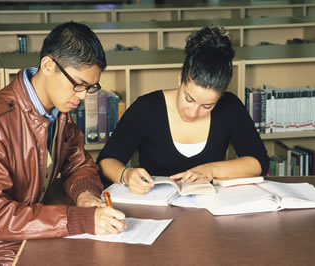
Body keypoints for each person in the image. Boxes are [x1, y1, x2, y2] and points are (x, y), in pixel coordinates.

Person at [0, 22, 125, 265]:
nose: (82, 96)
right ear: (48, 65)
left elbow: (78, 165)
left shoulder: (59, 112)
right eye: (78, 84)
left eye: (90, 88)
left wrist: (85, 195)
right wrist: (78, 219)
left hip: (34, 235)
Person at [97, 26, 269, 194]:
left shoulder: (230, 107)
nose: (193, 112)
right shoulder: (147, 108)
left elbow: (259, 162)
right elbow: (106, 161)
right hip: (157, 210)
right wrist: (126, 175)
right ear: (180, 79)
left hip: (209, 210)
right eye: (189, 99)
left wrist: (210, 170)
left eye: (207, 106)